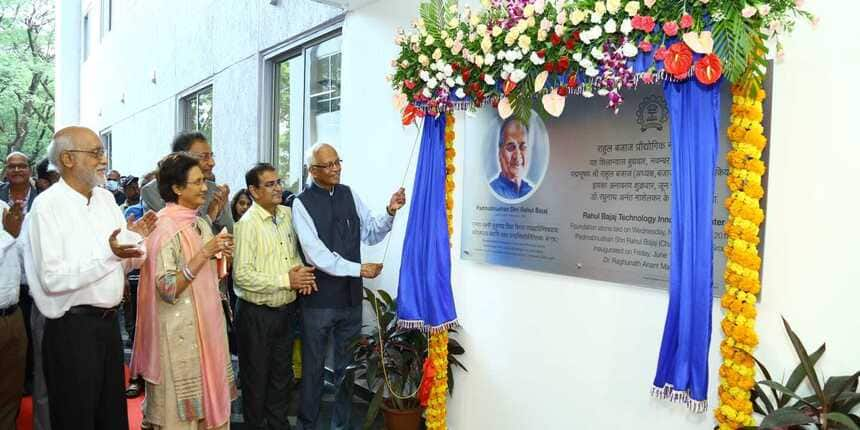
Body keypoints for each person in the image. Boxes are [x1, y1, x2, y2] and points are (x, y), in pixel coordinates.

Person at [20, 126, 157, 430]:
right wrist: (110, 254)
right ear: (68, 158)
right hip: (71, 329)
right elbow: (53, 279)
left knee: (111, 417)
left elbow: (120, 263)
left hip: (109, 325)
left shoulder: (106, 200)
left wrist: (136, 246)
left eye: (102, 152)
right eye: (95, 152)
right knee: (75, 417)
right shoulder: (47, 206)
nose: (103, 160)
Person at [292, 143, 406, 430]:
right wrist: (358, 269)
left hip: (350, 301)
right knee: (314, 372)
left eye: (337, 162)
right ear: (312, 171)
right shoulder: (301, 203)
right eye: (328, 165)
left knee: (347, 372)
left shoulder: (349, 194)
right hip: (318, 302)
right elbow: (315, 254)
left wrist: (390, 212)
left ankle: (340, 426)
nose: (336, 169)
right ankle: (309, 425)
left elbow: (370, 232)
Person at [131, 152, 237, 430]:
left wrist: (224, 254)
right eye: (197, 182)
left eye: (204, 180)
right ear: (177, 188)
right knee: (178, 419)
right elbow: (167, 288)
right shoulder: (163, 227)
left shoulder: (198, 222)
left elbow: (213, 276)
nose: (205, 187)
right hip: (177, 335)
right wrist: (204, 253)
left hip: (207, 330)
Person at [233, 163, 316, 430]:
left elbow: (291, 254)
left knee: (282, 379)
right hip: (256, 315)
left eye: (278, 182)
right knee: (256, 382)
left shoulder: (288, 214)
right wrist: (286, 280)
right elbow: (242, 276)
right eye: (269, 184)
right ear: (254, 191)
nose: (278, 187)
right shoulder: (247, 225)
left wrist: (299, 273)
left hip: (285, 312)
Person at [140, 131, 233, 234]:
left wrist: (219, 212)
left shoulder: (214, 190)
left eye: (212, 156)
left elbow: (230, 231)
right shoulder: (153, 191)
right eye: (204, 157)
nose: (212, 163)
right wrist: (210, 217)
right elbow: (175, 235)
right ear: (181, 158)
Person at [1, 151, 37, 396]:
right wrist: (9, 234)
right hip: (6, 280)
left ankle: (27, 380)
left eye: (21, 166)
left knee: (27, 340)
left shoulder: (43, 199)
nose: (16, 171)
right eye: (11, 167)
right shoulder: (1, 201)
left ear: (29, 170)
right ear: (5, 170)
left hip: (32, 283)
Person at [0, 199, 25, 429]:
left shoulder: (4, 208)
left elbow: (21, 258)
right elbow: (11, 238)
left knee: (11, 389)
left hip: (13, 315)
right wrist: (9, 235)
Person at [489, 118, 533, 200]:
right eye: (510, 147)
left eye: (523, 147)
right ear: (500, 153)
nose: (517, 155)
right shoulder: (492, 191)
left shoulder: (530, 192)